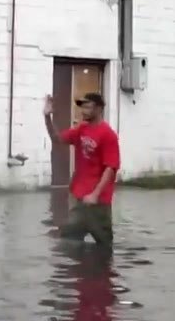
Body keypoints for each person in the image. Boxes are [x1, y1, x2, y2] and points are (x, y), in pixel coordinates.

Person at [43, 92, 121, 245]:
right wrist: (47, 117)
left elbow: (110, 169)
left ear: (99, 109)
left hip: (98, 204)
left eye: (88, 107)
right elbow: (56, 139)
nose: (83, 111)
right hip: (79, 199)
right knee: (66, 242)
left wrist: (94, 195)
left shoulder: (108, 135)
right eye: (82, 107)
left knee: (104, 246)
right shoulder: (81, 129)